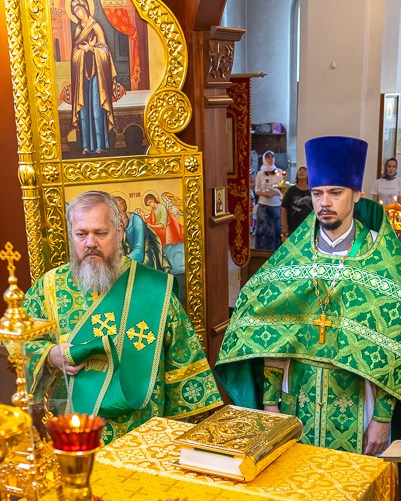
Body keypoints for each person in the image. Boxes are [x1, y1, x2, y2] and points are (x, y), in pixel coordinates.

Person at [217, 136, 401, 455]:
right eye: (317, 193)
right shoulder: (294, 259)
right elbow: (270, 332)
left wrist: (383, 419)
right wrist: (270, 403)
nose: (324, 202)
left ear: (356, 194)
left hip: (360, 407)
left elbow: (398, 344)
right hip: (295, 403)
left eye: (335, 193)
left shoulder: (382, 261)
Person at [22, 190, 222, 444]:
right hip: (71, 437)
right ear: (71, 235)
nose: (90, 243)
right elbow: (16, 339)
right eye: (81, 234)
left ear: (118, 232)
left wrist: (183, 439)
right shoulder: (48, 287)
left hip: (142, 438)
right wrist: (51, 355)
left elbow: (183, 362)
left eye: (100, 233)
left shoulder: (152, 289)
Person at [69, 0, 116, 156]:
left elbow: (105, 50)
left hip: (97, 75)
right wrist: (81, 52)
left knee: (96, 108)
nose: (78, 13)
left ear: (86, 8)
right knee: (83, 111)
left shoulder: (95, 26)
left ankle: (100, 145)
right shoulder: (78, 29)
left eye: (79, 10)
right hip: (82, 76)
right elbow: (74, 54)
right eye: (75, 12)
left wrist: (91, 49)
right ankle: (86, 145)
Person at [114, 194, 170, 273]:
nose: (119, 220)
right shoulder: (116, 224)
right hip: (129, 257)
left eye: (120, 216)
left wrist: (121, 264)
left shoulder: (137, 221)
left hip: (146, 256)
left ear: (124, 211)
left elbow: (139, 252)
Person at [253, 151, 284, 251]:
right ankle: (262, 252)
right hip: (263, 205)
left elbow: (282, 188)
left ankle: (276, 252)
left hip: (276, 205)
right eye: (268, 157)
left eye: (272, 157)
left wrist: (274, 193)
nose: (270, 159)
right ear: (264, 159)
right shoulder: (260, 173)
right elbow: (256, 190)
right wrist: (264, 194)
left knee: (276, 229)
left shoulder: (279, 172)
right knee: (264, 230)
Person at [280, 165, 312, 242]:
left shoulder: (313, 190)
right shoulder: (291, 190)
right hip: (293, 227)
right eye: (300, 170)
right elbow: (284, 208)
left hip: (310, 227)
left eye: (304, 170)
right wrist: (284, 226)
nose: (301, 171)